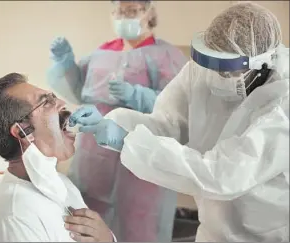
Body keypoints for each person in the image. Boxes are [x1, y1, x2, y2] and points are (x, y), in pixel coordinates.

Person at [69, 2, 289, 242]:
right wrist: (114, 125)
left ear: (260, 63)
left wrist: (129, 143)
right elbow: (166, 125)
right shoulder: (201, 70)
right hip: (210, 231)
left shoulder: (282, 106)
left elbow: (222, 174)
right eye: (213, 61)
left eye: (226, 67)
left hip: (266, 234)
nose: (216, 74)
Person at [47, 1, 187, 241]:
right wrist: (64, 63)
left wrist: (137, 95)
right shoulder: (102, 52)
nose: (125, 17)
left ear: (148, 13)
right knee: (88, 219)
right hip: (94, 155)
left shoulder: (166, 55)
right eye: (120, 11)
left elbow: (177, 108)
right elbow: (77, 90)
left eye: (132, 11)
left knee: (137, 224)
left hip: (139, 161)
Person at [0, 73, 116, 242]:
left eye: (54, 98)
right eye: (46, 102)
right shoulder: (14, 215)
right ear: (23, 131)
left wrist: (108, 238)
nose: (62, 104)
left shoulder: (62, 184)